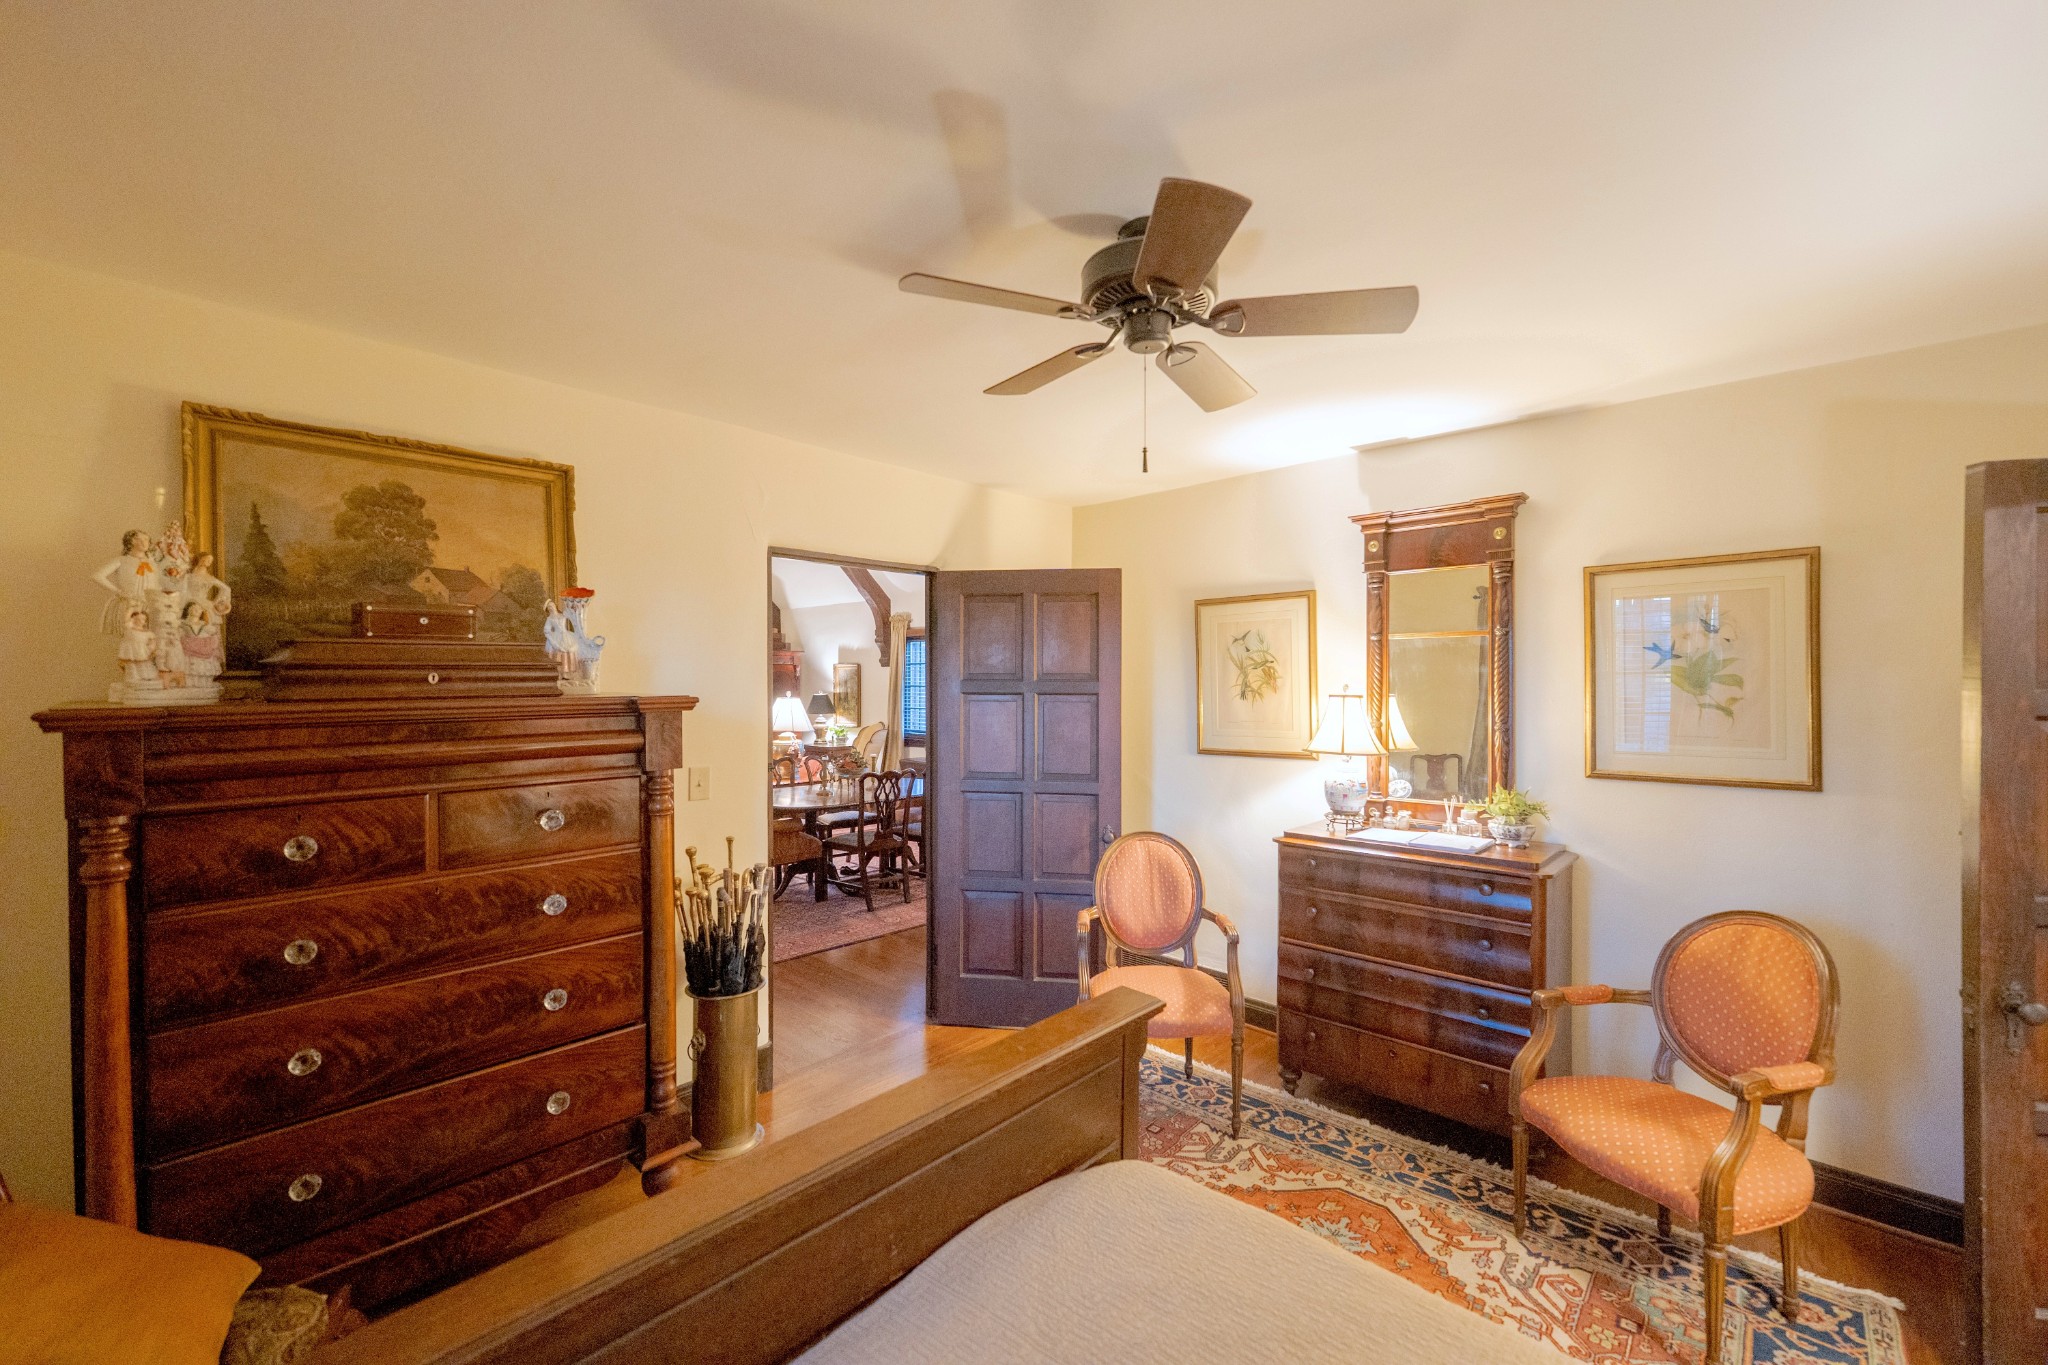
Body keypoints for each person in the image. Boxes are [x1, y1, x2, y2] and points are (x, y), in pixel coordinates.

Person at [93, 530, 159, 633]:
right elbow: (97, 576)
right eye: (138, 539)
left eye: (146, 539)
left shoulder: (152, 562)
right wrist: (118, 591)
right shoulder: (122, 560)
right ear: (130, 541)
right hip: (129, 604)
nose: (144, 542)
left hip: (149, 605)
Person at [180, 601, 222, 687]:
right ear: (188, 610)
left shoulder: (205, 625)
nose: (197, 610)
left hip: (204, 649)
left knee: (203, 668)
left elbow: (214, 633)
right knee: (190, 669)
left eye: (199, 608)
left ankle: (204, 684)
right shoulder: (183, 623)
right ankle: (190, 684)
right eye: (194, 608)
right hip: (188, 650)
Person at [117, 606, 158, 688]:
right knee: (132, 665)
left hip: (142, 651)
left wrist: (152, 650)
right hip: (131, 651)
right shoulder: (129, 629)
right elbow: (126, 618)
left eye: (143, 619)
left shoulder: (147, 633)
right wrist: (133, 608)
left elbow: (152, 642)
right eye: (138, 619)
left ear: (145, 621)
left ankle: (145, 677)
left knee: (144, 665)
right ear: (133, 619)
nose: (140, 621)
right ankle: (133, 677)